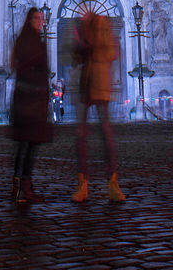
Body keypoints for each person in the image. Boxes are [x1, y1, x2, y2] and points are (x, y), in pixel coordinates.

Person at [71, 11, 125, 203]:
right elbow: (75, 57)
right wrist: (80, 46)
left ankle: (112, 182)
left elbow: (111, 52)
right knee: (81, 135)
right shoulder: (80, 27)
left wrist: (91, 46)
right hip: (85, 84)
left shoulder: (103, 26)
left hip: (101, 84)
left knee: (106, 133)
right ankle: (82, 182)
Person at [8, 7, 52, 203]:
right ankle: (19, 187)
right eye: (36, 18)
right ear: (29, 19)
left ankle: (24, 184)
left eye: (41, 18)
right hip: (27, 98)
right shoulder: (26, 41)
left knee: (30, 144)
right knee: (26, 144)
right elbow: (20, 66)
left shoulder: (36, 40)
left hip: (34, 97)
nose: (40, 21)